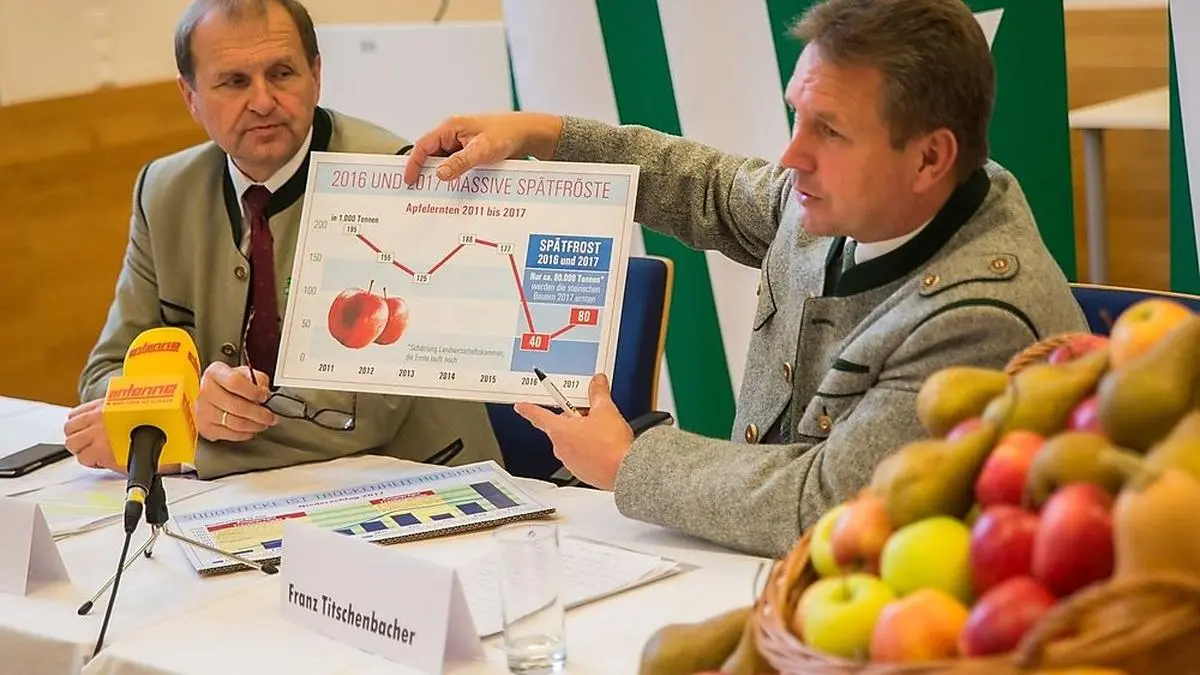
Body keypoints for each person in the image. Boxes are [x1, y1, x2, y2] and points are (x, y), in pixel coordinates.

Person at [403, 0, 1089, 557]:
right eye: (798, 114)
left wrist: (630, 461)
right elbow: (709, 187)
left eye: (830, 130)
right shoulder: (859, 199)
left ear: (930, 157)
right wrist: (545, 135)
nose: (793, 154)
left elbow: (829, 501)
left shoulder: (983, 314)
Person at [64, 0, 501, 478]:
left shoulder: (393, 177)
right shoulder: (164, 192)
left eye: (282, 73)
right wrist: (184, 403)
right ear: (190, 96)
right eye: (234, 81)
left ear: (316, 74)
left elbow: (363, 409)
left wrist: (181, 437)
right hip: (252, 498)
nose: (263, 101)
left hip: (418, 483)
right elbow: (104, 373)